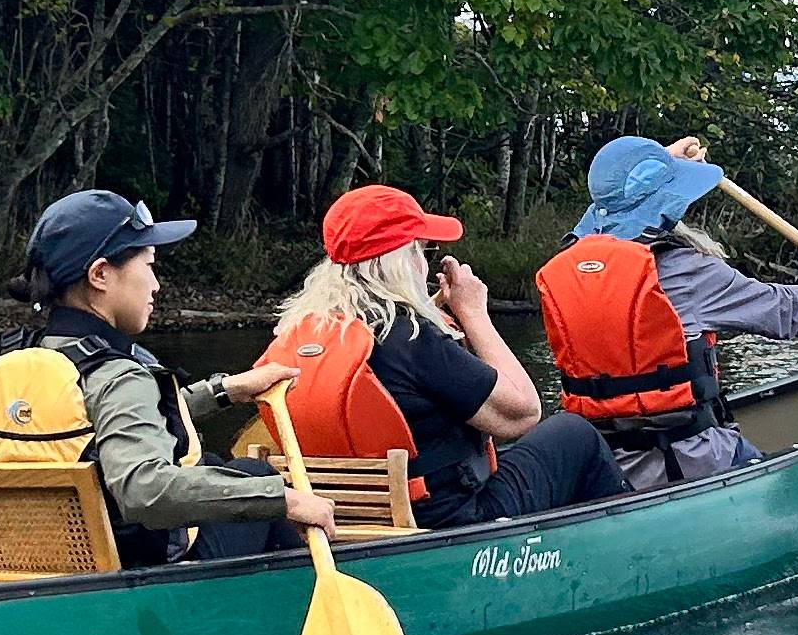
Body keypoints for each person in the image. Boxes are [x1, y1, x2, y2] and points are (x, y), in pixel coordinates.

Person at [0, 188, 335, 567]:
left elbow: (108, 425)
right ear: (100, 274)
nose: (155, 285)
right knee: (253, 475)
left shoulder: (29, 360)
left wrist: (223, 391)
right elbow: (144, 490)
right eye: (149, 265)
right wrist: (282, 499)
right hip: (139, 579)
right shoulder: (117, 373)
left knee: (236, 472)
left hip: (47, 563)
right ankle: (300, 610)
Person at [258, 185, 626, 526]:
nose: (423, 261)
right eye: (420, 249)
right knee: (574, 433)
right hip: (447, 517)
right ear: (401, 259)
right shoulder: (411, 337)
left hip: (347, 518)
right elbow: (523, 414)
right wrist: (473, 313)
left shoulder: (298, 333)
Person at [551, 132, 798, 490]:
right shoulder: (686, 271)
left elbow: (608, 198)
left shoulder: (571, 265)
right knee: (783, 482)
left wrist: (662, 160)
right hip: (683, 459)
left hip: (601, 462)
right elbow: (786, 311)